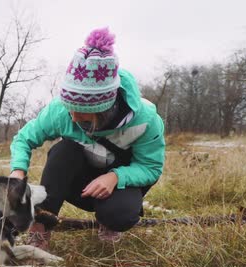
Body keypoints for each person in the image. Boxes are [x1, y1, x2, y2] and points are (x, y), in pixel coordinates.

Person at [9, 27, 165, 249]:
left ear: (102, 108)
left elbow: (151, 167)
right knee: (63, 151)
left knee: (120, 215)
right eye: (69, 107)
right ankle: (41, 227)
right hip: (78, 184)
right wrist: (17, 172)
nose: (72, 116)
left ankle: (108, 222)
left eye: (80, 111)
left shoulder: (146, 119)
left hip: (117, 188)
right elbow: (23, 139)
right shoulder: (61, 111)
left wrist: (115, 178)